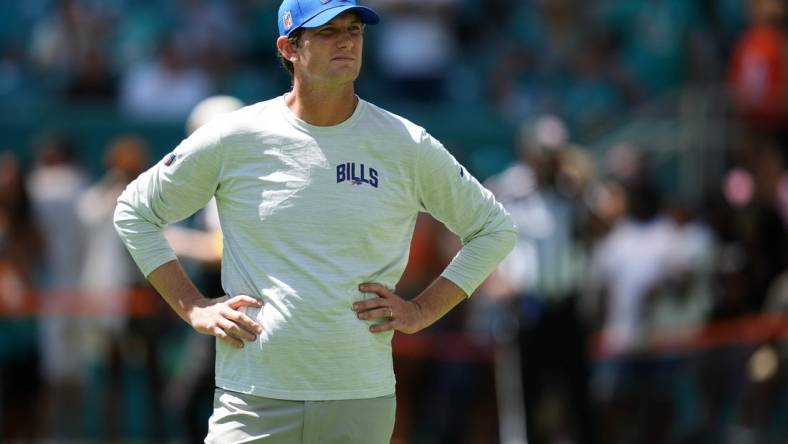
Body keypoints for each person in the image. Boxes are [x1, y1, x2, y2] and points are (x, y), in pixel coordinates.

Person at [113, 0, 517, 442]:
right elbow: (134, 211)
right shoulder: (236, 136)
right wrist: (192, 306)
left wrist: (422, 309)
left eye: (355, 29)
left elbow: (494, 229)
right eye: (326, 31)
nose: (346, 40)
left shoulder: (405, 143)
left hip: (359, 398)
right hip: (253, 398)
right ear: (289, 48)